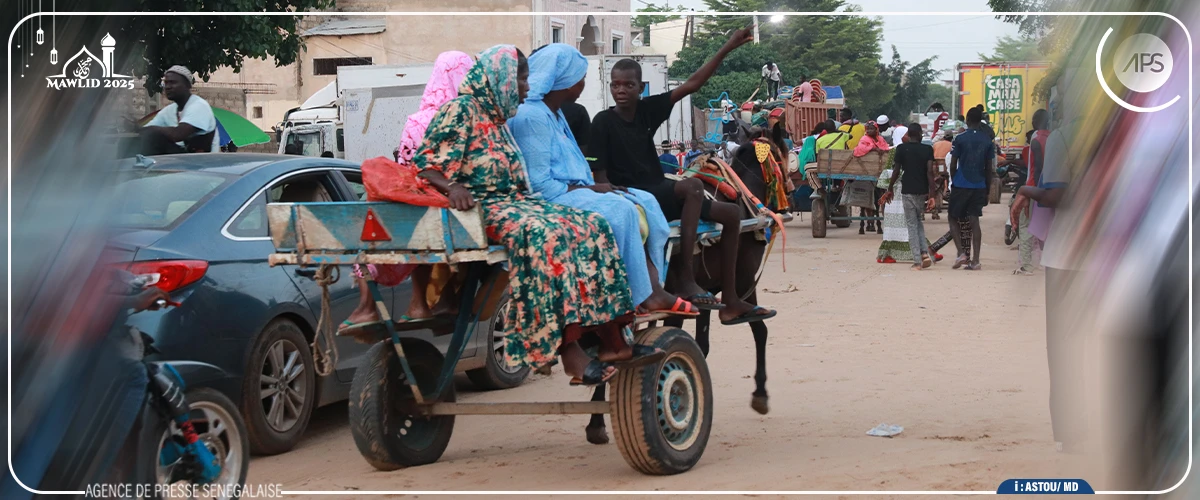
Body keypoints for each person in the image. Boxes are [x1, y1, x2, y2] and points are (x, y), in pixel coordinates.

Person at [415, 45, 643, 384]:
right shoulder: (461, 110)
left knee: (592, 226)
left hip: (517, 203)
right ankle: (567, 352)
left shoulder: (497, 116)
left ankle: (611, 335)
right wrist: (453, 188)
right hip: (485, 208)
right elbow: (426, 163)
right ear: (501, 79)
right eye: (521, 79)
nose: (526, 86)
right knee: (545, 235)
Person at [590, 27, 776, 325]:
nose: (620, 90)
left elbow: (693, 83)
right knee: (691, 186)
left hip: (659, 190)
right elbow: (599, 175)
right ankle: (688, 279)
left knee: (731, 213)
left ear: (640, 88)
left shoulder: (647, 110)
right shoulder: (602, 121)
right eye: (615, 85)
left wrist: (727, 46)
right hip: (638, 195)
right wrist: (606, 190)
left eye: (628, 85)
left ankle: (730, 301)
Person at [509, 43, 696, 319]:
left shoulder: (553, 112)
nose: (584, 83)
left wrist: (594, 188)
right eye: (580, 77)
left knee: (644, 200)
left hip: (571, 190)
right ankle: (640, 293)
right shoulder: (532, 116)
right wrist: (590, 188)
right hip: (553, 196)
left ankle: (653, 285)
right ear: (565, 81)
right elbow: (540, 185)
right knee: (621, 211)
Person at [340, 51, 475, 336]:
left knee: (387, 220)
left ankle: (370, 306)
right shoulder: (469, 119)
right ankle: (434, 300)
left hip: (420, 200)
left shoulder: (419, 119)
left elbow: (409, 165)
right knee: (426, 229)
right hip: (454, 205)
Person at [947, 106, 996, 270]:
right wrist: (987, 189)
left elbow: (953, 164)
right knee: (974, 221)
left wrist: (954, 181)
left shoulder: (959, 139)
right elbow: (989, 168)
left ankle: (961, 252)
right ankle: (976, 260)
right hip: (979, 185)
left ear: (967, 120)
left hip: (961, 184)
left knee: (953, 217)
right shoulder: (987, 141)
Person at [884, 124, 937, 269]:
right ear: (920, 134)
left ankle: (917, 260)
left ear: (908, 135)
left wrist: (889, 188)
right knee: (918, 221)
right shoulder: (927, 149)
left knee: (912, 225)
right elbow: (930, 173)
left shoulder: (901, 149)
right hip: (922, 191)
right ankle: (924, 253)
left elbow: (896, 171)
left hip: (907, 190)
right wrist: (932, 195)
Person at [140, 65, 219, 155]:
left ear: (187, 85)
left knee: (154, 137)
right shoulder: (169, 111)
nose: (168, 87)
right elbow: (146, 129)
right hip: (182, 162)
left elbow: (178, 135)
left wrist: (150, 130)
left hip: (203, 164)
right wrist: (135, 128)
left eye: (173, 82)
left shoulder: (199, 106)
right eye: (166, 83)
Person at [1012, 109, 1050, 275]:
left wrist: (1031, 191)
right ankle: (1047, 262)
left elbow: (1037, 168)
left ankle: (1026, 265)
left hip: (1035, 186)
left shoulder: (1036, 139)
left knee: (1026, 224)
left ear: (1035, 122)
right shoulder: (1054, 138)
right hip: (1051, 186)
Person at [930, 129, 954, 220]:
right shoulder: (952, 145)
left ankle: (934, 211)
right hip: (947, 169)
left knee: (935, 189)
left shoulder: (936, 144)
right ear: (951, 138)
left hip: (936, 169)